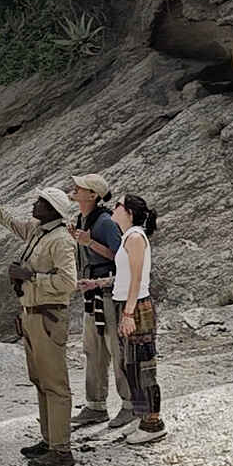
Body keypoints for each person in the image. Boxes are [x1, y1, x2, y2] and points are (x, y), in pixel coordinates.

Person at [0, 171, 79, 466]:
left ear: (53, 209)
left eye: (41, 201)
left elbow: (68, 282)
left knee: (55, 383)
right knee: (40, 380)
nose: (35, 203)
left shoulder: (61, 241)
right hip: (33, 315)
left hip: (49, 317)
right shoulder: (38, 231)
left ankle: (62, 449)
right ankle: (49, 439)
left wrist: (31, 277)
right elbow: (6, 220)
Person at [67, 173, 132, 431]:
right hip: (91, 294)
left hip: (108, 294)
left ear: (92, 195)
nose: (74, 188)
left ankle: (129, 406)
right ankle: (95, 406)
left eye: (80, 187)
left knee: (117, 352)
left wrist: (88, 242)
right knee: (93, 351)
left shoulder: (104, 223)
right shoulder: (84, 219)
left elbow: (122, 258)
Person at [112, 192, 167, 443]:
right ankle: (141, 417)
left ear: (129, 212)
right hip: (127, 303)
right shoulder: (127, 237)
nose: (113, 208)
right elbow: (125, 278)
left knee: (144, 366)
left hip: (136, 307)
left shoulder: (135, 237)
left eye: (118, 205)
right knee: (130, 365)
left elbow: (136, 279)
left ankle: (153, 423)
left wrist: (128, 313)